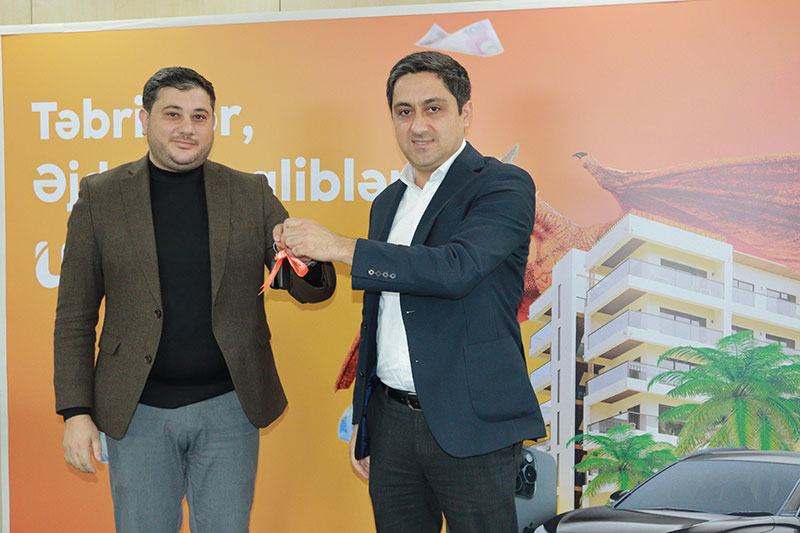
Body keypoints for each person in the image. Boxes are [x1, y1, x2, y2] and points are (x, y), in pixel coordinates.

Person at [53, 66, 336, 532]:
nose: (187, 127)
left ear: (213, 124)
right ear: (144, 120)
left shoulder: (250, 192)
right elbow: (74, 317)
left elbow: (304, 284)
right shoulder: (99, 196)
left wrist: (312, 257)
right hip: (136, 411)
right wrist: (76, 412)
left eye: (199, 116)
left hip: (229, 408)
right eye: (173, 114)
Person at [275, 51, 545, 532]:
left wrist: (339, 246)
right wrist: (366, 419)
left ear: (465, 113)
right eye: (404, 112)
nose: (418, 125)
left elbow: (456, 268)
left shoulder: (503, 185)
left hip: (473, 425)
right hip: (391, 425)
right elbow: (376, 318)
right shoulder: (387, 202)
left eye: (433, 108)